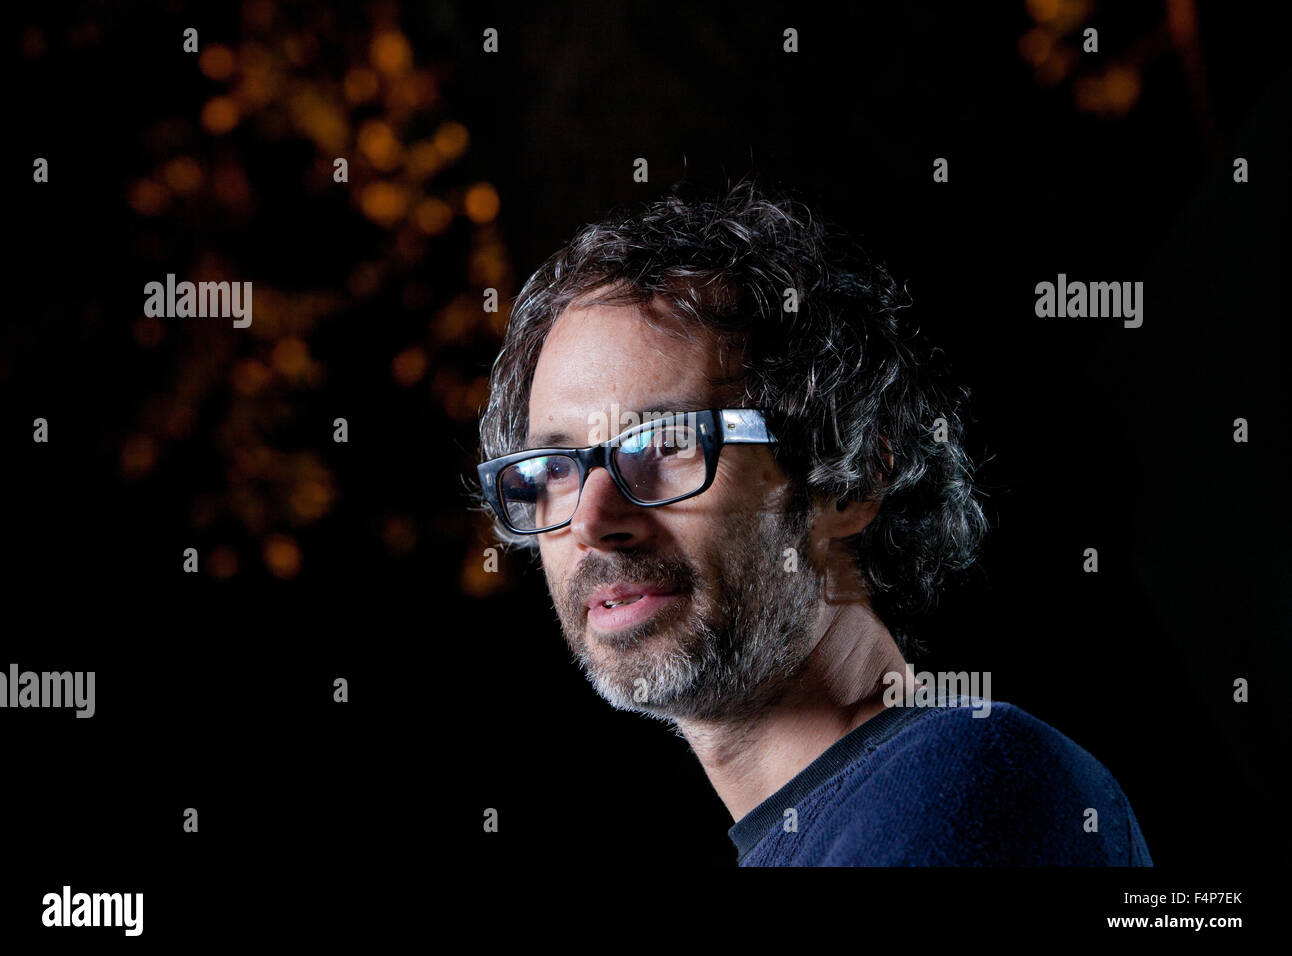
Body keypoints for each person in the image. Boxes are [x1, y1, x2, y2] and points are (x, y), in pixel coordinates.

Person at [473, 177, 1152, 866]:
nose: (591, 520)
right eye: (554, 469)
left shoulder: (962, 783)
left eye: (667, 442)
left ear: (849, 480)